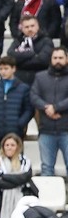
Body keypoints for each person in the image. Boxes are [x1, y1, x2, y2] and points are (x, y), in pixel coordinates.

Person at [32, 47, 68, 177]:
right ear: (51, 59)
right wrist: (47, 107)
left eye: (61, 58)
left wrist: (56, 108)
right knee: (46, 168)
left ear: (66, 59)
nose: (58, 61)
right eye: (55, 58)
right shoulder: (40, 77)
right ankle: (48, 197)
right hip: (46, 130)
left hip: (66, 130)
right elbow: (33, 96)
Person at [8, 13, 53, 86]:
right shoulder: (18, 41)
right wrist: (31, 54)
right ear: (22, 28)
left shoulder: (46, 41)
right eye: (26, 27)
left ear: (38, 26)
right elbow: (10, 56)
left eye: (32, 26)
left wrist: (20, 61)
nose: (30, 29)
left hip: (40, 80)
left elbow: (43, 61)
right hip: (20, 80)